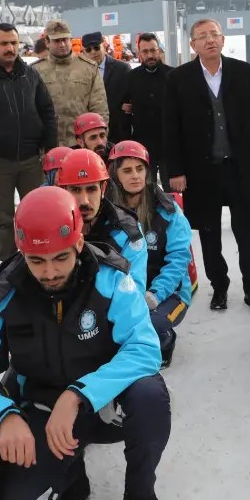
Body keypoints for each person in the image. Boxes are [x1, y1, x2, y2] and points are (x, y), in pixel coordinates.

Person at [0, 186, 169, 500]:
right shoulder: (5, 293)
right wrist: (4, 417)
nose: (50, 272)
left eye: (61, 258)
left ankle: (140, 496)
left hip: (103, 405)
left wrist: (78, 395)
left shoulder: (112, 279)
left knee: (150, 397)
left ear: (79, 243)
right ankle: (71, 471)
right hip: (43, 410)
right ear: (22, 253)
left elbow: (144, 348)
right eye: (36, 261)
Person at [163, 19, 250, 315]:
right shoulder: (179, 79)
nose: (209, 40)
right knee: (208, 233)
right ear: (192, 45)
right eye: (202, 36)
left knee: (247, 229)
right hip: (201, 170)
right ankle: (219, 287)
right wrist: (176, 171)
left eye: (214, 35)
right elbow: (171, 128)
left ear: (223, 40)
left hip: (241, 167)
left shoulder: (243, 73)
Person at [0, 23, 57, 261]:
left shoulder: (31, 74)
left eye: (14, 43)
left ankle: (37, 259)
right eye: (4, 43)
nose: (10, 48)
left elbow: (47, 110)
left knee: (37, 215)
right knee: (4, 220)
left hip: (31, 161)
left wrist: (51, 148)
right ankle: (9, 265)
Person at [107, 141, 193, 368]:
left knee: (153, 323)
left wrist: (155, 293)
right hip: (125, 289)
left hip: (167, 292)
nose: (135, 176)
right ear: (115, 174)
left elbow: (179, 259)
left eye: (139, 168)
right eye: (127, 170)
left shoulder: (168, 210)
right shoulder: (106, 211)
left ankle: (165, 340)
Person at [56, 148, 148, 292]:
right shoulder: (50, 227)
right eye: (75, 190)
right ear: (63, 190)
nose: (84, 201)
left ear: (103, 188)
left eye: (91, 189)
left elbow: (133, 293)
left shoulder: (128, 232)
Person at [32, 20, 108, 147]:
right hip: (49, 144)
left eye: (65, 40)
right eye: (57, 41)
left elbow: (100, 109)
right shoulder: (35, 71)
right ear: (47, 42)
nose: (62, 44)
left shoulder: (88, 68)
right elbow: (31, 112)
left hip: (81, 143)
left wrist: (98, 142)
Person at [123, 33, 172, 187]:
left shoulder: (173, 75)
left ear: (159, 51)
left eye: (153, 50)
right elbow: (123, 105)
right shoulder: (131, 77)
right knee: (145, 191)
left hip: (169, 144)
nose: (150, 55)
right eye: (145, 51)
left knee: (172, 192)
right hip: (142, 145)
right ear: (139, 54)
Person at [82, 31, 131, 144]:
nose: (93, 52)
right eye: (88, 50)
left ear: (104, 46)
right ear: (84, 52)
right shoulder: (80, 72)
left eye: (96, 48)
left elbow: (133, 92)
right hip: (91, 133)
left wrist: (132, 105)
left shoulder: (122, 69)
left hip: (118, 132)